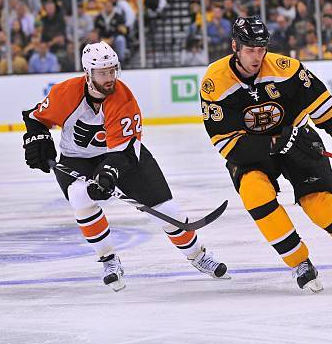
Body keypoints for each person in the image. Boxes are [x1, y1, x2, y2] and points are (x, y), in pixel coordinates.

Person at [199, 16, 332, 292]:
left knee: (321, 204)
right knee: (255, 194)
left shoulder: (287, 70)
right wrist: (273, 143)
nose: (257, 57)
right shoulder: (215, 82)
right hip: (252, 152)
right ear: (234, 46)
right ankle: (299, 262)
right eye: (250, 50)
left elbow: (328, 113)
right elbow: (226, 144)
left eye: (262, 49)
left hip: (297, 139)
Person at [22, 42, 229, 292]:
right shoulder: (65, 93)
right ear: (88, 73)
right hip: (77, 158)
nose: (110, 78)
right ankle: (109, 261)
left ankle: (198, 256)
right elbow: (35, 117)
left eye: (112, 71)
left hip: (123, 155)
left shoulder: (123, 96)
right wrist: (38, 139)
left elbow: (126, 150)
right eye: (102, 72)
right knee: (80, 197)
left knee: (168, 210)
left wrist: (109, 172)